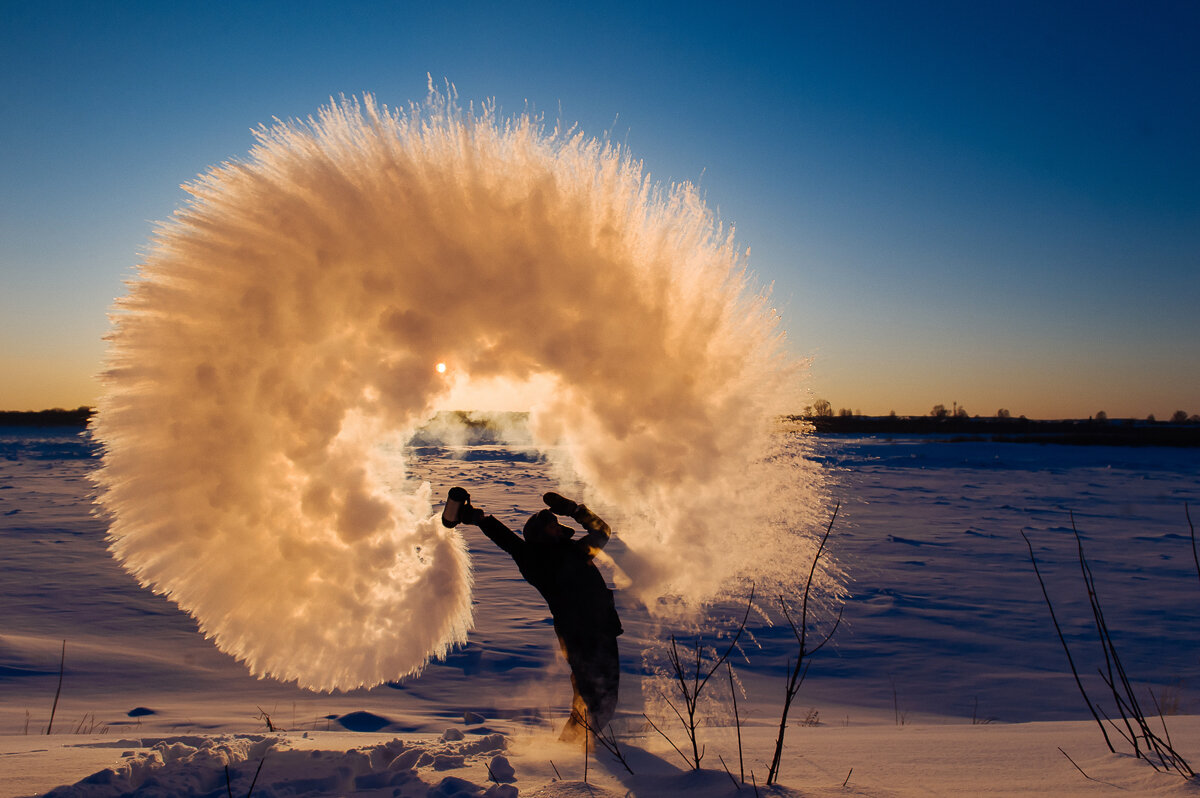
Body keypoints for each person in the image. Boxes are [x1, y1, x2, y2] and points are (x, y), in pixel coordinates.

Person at [443, 487, 622, 740]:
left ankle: (579, 748)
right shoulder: (535, 560)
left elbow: (602, 531)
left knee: (605, 698)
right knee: (594, 700)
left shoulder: (577, 551)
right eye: (552, 525)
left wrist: (575, 510)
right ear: (539, 535)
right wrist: (481, 519)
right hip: (578, 636)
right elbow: (508, 541)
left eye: (557, 523)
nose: (558, 527)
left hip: (604, 629)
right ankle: (573, 753)